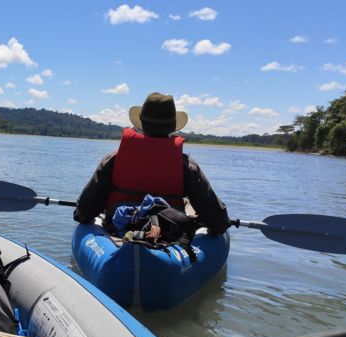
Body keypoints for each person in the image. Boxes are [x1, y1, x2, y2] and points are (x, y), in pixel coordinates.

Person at [74, 92, 230, 235]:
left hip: (117, 230)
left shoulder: (113, 159)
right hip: (167, 233)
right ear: (172, 126)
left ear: (141, 121)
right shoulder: (187, 166)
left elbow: (83, 212)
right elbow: (218, 222)